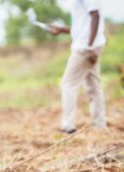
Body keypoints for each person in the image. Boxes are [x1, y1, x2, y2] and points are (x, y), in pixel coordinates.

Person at [49, 0, 106, 133]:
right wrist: (62, 30)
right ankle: (100, 125)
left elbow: (95, 15)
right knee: (94, 85)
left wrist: (90, 47)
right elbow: (83, 24)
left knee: (68, 84)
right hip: (89, 45)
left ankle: (68, 126)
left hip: (85, 48)